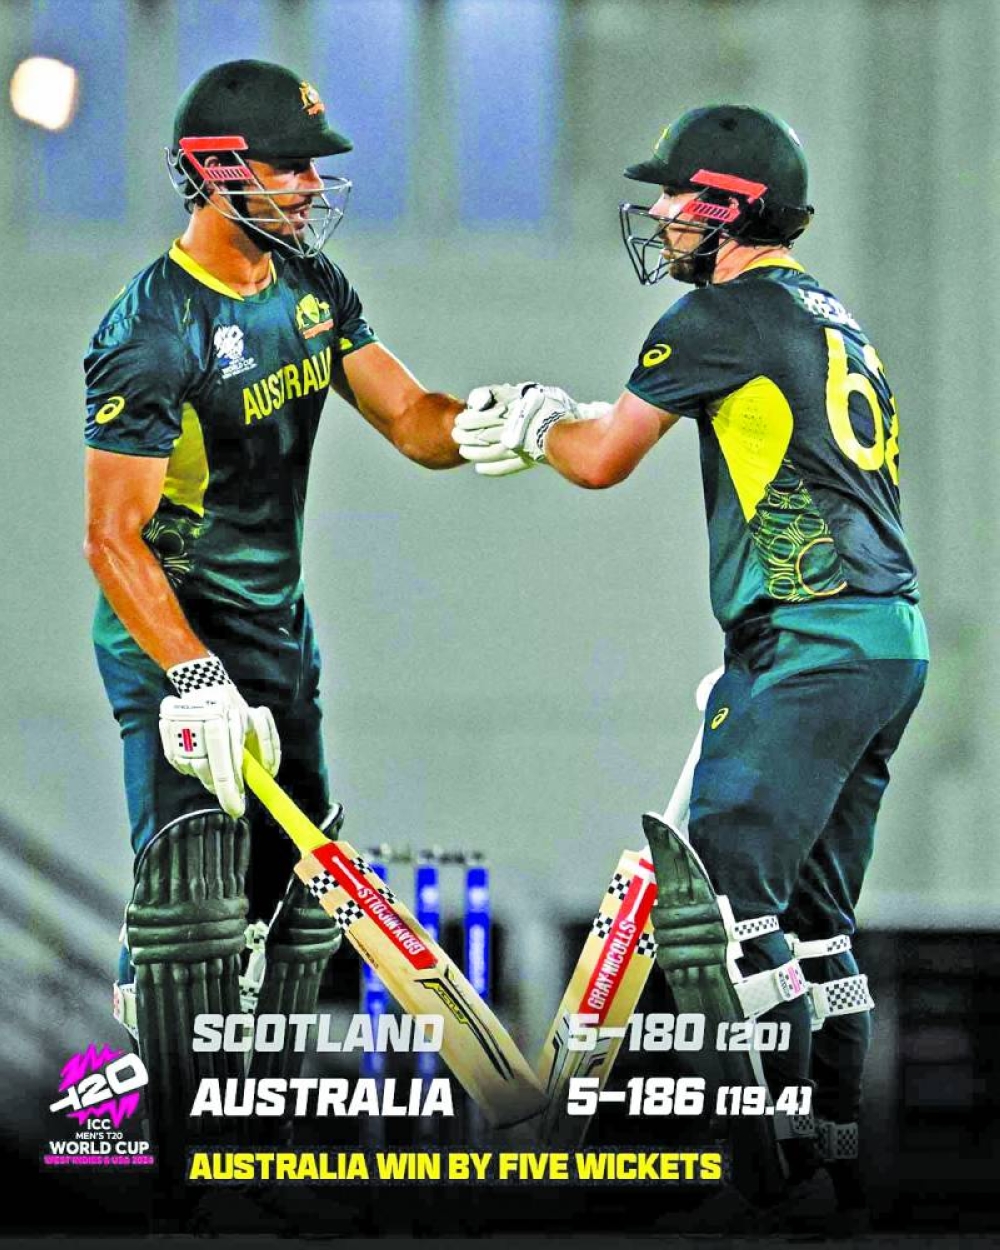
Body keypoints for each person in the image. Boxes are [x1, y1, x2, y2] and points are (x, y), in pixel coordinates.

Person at [454, 104, 929, 1224]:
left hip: (807, 640)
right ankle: (837, 1164)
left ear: (729, 206)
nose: (661, 214)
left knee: (719, 905)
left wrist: (530, 422)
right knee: (820, 928)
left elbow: (604, 456)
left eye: (679, 195)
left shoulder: (716, 314)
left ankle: (772, 1178)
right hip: (881, 637)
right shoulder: (830, 315)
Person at [83, 58, 500, 1231]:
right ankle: (183, 1189)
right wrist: (193, 676)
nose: (317, 186)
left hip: (278, 639)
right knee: (189, 915)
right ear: (220, 173)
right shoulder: (148, 330)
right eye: (294, 165)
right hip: (177, 649)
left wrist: (509, 422)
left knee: (299, 910)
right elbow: (111, 539)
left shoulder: (309, 282)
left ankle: (262, 1160)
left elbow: (415, 423)